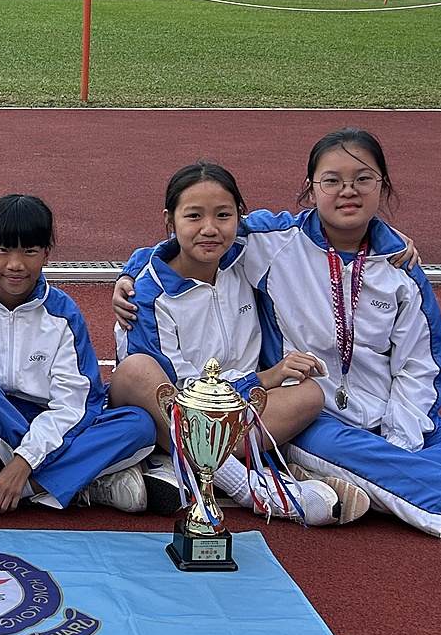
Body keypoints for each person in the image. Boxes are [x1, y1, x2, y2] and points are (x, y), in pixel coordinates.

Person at [213, 129, 441, 551]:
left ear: (383, 186)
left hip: (385, 417)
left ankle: (357, 476)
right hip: (312, 417)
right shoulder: (271, 242)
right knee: (341, 445)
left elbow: (420, 365)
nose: (348, 191)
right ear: (310, 188)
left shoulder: (399, 266)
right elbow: (196, 234)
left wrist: (398, 442)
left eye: (363, 179)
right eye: (332, 180)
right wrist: (138, 270)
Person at [106, 161, 364, 526]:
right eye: (193, 216)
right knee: (137, 371)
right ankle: (250, 487)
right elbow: (182, 392)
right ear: (170, 221)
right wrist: (265, 378)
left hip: (239, 408)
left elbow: (318, 224)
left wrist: (388, 238)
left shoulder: (247, 258)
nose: (210, 229)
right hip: (175, 406)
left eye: (223, 215)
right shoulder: (146, 295)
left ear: (240, 218)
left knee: (310, 394)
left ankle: (182, 465)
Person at [0, 194, 155, 519]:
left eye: (29, 251)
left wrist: (24, 462)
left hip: (52, 428)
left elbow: (74, 405)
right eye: (3, 250)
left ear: (47, 253)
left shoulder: (63, 316)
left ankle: (8, 488)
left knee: (139, 425)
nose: (15, 264)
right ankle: (81, 480)